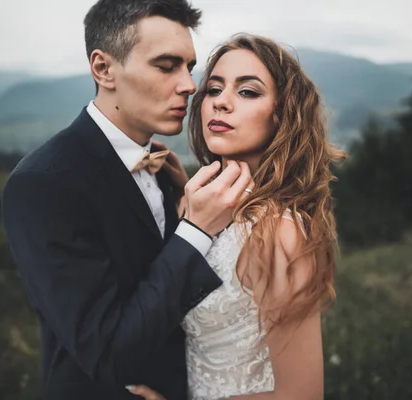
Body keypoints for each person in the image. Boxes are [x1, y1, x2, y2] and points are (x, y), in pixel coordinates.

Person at [1, 1, 254, 399]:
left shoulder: (165, 172)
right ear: (103, 69)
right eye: (166, 65)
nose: (189, 85)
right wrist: (196, 230)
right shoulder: (43, 183)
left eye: (189, 67)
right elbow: (105, 351)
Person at [126, 34, 345, 400]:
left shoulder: (279, 233)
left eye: (248, 92)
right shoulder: (195, 206)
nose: (220, 103)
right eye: (213, 89)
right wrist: (184, 188)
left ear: (281, 114)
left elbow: (301, 395)